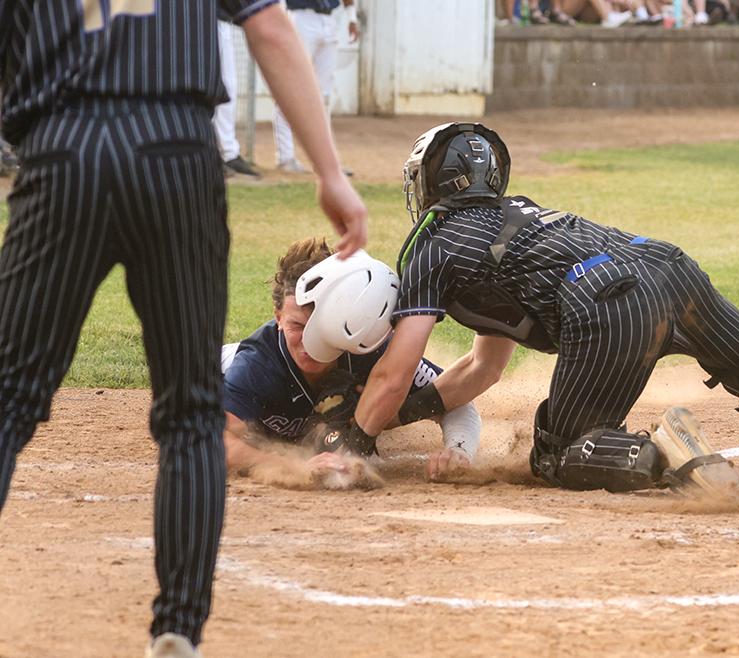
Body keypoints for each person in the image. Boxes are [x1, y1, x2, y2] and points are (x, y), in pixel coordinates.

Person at [0, 2, 368, 658]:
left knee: (10, 397)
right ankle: (177, 629)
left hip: (61, 149)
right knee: (191, 415)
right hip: (176, 151)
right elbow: (270, 26)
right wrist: (329, 173)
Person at [346, 122, 739, 495]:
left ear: (428, 184)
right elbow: (481, 371)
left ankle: (668, 451)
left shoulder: (432, 244)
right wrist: (410, 418)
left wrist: (356, 435)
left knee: (556, 454)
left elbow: (397, 369)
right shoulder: (519, 218)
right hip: (662, 263)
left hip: (606, 298)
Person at [221, 238, 480, 484]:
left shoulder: (366, 345)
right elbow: (216, 440)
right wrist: (292, 464)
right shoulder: (256, 364)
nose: (308, 341)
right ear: (278, 318)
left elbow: (455, 401)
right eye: (297, 326)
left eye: (319, 327)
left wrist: (458, 450)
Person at [273, 0, 360, 173]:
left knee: (324, 95)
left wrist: (352, 17)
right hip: (302, 17)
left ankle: (327, 163)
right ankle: (286, 156)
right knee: (292, 87)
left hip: (329, 19)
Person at [215, 18, 262, 178]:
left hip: (221, 21)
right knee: (201, 87)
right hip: (192, 20)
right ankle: (213, 155)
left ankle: (229, 154)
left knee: (228, 86)